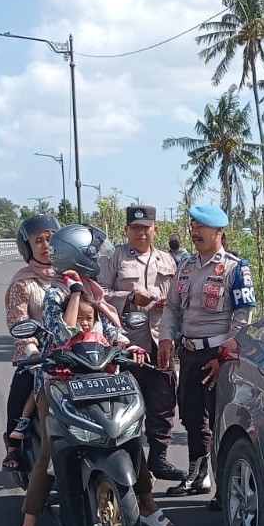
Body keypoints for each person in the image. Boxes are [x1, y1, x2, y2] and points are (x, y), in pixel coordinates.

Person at [16, 223, 175, 526]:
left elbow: (113, 331)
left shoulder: (96, 291)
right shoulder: (58, 293)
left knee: (129, 435)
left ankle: (145, 505)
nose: (100, 259)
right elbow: (65, 331)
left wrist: (129, 347)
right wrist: (74, 292)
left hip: (103, 377)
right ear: (76, 256)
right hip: (59, 382)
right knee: (50, 449)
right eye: (93, 255)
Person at [158, 205, 256, 506]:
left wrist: (224, 357)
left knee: (218, 420)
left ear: (219, 231)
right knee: (190, 416)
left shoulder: (234, 268)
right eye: (193, 225)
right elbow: (173, 308)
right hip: (189, 353)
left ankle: (224, 488)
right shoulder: (185, 266)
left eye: (201, 227)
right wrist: (165, 337)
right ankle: (198, 475)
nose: (195, 231)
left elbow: (243, 317)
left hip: (218, 356)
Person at [97, 205, 182, 481]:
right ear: (126, 231)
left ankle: (158, 460)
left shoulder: (168, 261)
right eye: (135, 229)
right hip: (127, 346)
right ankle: (131, 463)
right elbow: (98, 297)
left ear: (155, 229)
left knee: (163, 404)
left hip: (161, 342)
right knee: (125, 407)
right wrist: (130, 298)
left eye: (146, 228)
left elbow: (180, 299)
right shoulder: (115, 259)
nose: (141, 234)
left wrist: (166, 304)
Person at [2, 214, 61, 471]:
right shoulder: (23, 281)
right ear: (28, 247)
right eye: (39, 241)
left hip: (76, 353)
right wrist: (33, 353)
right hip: (39, 356)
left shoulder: (72, 274)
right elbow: (18, 322)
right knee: (22, 385)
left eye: (50, 239)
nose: (46, 245)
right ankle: (14, 443)